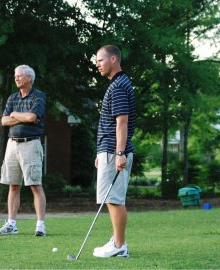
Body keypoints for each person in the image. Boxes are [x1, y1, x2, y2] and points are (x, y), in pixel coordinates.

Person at [92, 45, 136, 258]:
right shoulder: (119, 83)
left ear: (112, 59)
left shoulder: (118, 86)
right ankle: (117, 240)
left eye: (100, 60)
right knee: (112, 199)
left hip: (114, 150)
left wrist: (118, 153)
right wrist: (101, 151)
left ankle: (119, 246)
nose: (97, 64)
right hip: (108, 150)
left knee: (114, 199)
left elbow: (122, 122)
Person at [0, 65, 47, 237]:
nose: (16, 78)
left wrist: (15, 115)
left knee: (35, 185)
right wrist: (21, 117)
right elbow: (3, 121)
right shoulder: (12, 97)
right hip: (12, 144)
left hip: (31, 144)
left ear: (29, 78)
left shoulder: (38, 96)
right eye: (15, 76)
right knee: (13, 185)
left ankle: (40, 225)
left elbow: (32, 117)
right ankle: (11, 224)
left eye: (19, 76)